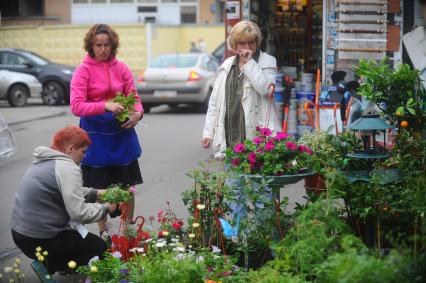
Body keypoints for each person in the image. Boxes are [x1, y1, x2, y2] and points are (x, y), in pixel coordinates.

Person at [10, 125, 117, 275]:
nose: (84, 157)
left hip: (21, 235)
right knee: (100, 248)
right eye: (83, 152)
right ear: (71, 149)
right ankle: (55, 264)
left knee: (80, 239)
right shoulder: (67, 167)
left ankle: (57, 263)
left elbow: (68, 191)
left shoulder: (47, 161)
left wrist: (96, 193)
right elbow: (78, 213)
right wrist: (104, 208)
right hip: (41, 240)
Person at [70, 23, 144, 237]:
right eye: (98, 45)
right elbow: (76, 106)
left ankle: (128, 232)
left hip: (122, 139)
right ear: (90, 46)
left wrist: (137, 114)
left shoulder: (122, 68)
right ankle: (104, 233)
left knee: (127, 188)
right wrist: (105, 105)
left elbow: (135, 99)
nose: (102, 49)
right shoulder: (83, 70)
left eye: (106, 45)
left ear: (113, 46)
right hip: (96, 142)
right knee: (99, 190)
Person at [201, 20, 281, 158]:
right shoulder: (227, 64)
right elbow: (214, 102)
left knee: (254, 178)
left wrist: (249, 63)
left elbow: (267, 89)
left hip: (256, 137)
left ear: (257, 42)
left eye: (251, 42)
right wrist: (208, 132)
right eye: (242, 43)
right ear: (235, 44)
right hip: (230, 137)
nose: (247, 47)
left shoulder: (266, 61)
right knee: (231, 177)